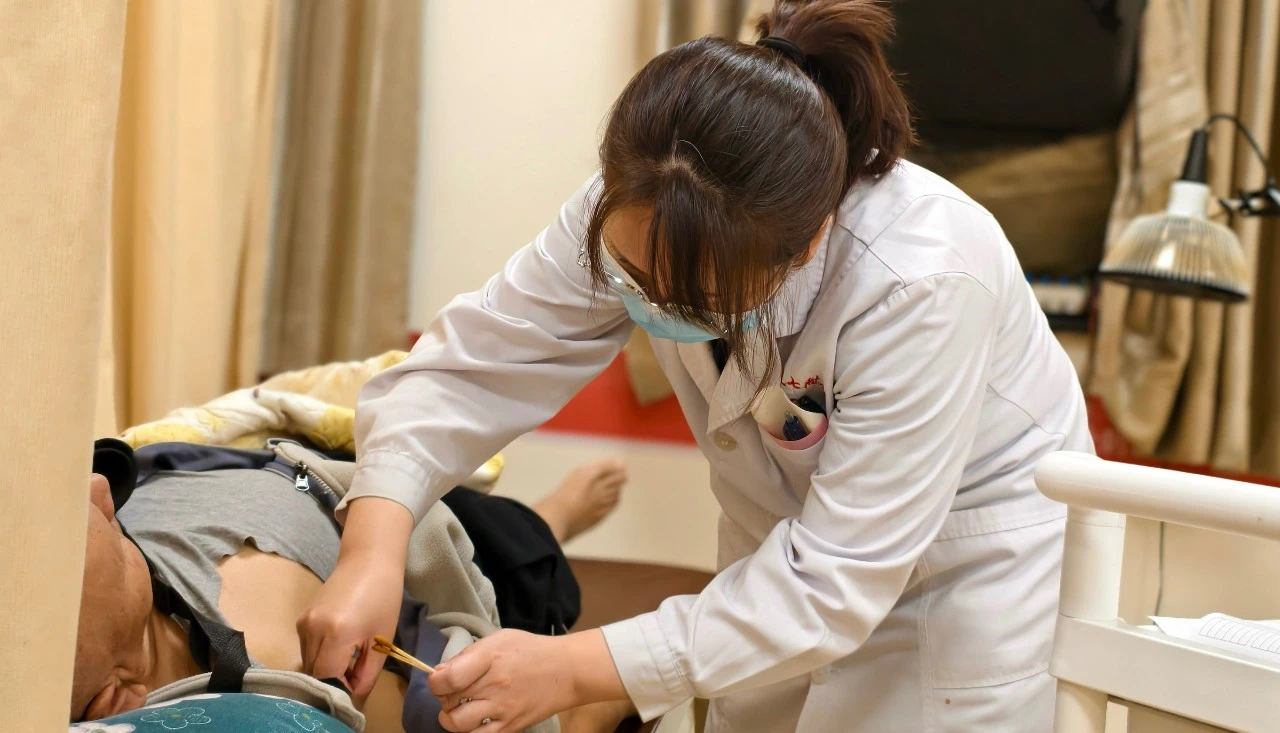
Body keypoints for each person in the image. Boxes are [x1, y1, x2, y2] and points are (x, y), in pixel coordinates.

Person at [297, 1, 1094, 731]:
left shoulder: (921, 279)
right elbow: (473, 366)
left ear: (808, 244)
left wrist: (577, 669)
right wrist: (373, 547)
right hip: (780, 572)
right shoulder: (644, 198)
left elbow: (833, 581)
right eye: (632, 275)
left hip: (955, 589)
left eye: (694, 296)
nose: (651, 303)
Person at [71, 453, 632, 733]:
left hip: (277, 468)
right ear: (114, 701)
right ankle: (550, 521)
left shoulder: (111, 493)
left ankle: (542, 517)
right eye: (72, 551)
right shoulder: (279, 667)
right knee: (518, 554)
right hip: (356, 513)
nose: (97, 489)